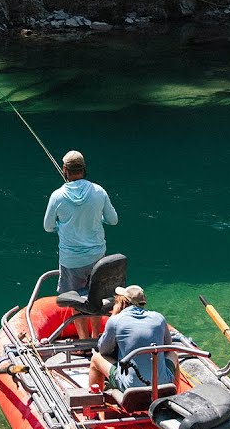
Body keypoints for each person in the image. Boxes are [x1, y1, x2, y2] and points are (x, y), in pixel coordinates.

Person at [43, 150, 118, 338]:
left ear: (64, 170)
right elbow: (113, 220)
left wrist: (62, 226)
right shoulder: (99, 191)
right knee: (95, 296)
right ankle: (95, 337)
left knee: (75, 300)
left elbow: (47, 226)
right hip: (97, 258)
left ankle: (83, 342)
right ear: (83, 169)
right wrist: (97, 218)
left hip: (71, 261)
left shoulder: (57, 196)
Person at [88, 284, 176, 392]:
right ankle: (176, 397)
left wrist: (113, 316)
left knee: (96, 358)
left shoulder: (115, 321)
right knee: (173, 354)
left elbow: (103, 350)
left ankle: (96, 402)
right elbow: (168, 347)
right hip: (163, 384)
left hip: (130, 386)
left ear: (123, 301)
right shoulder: (159, 318)